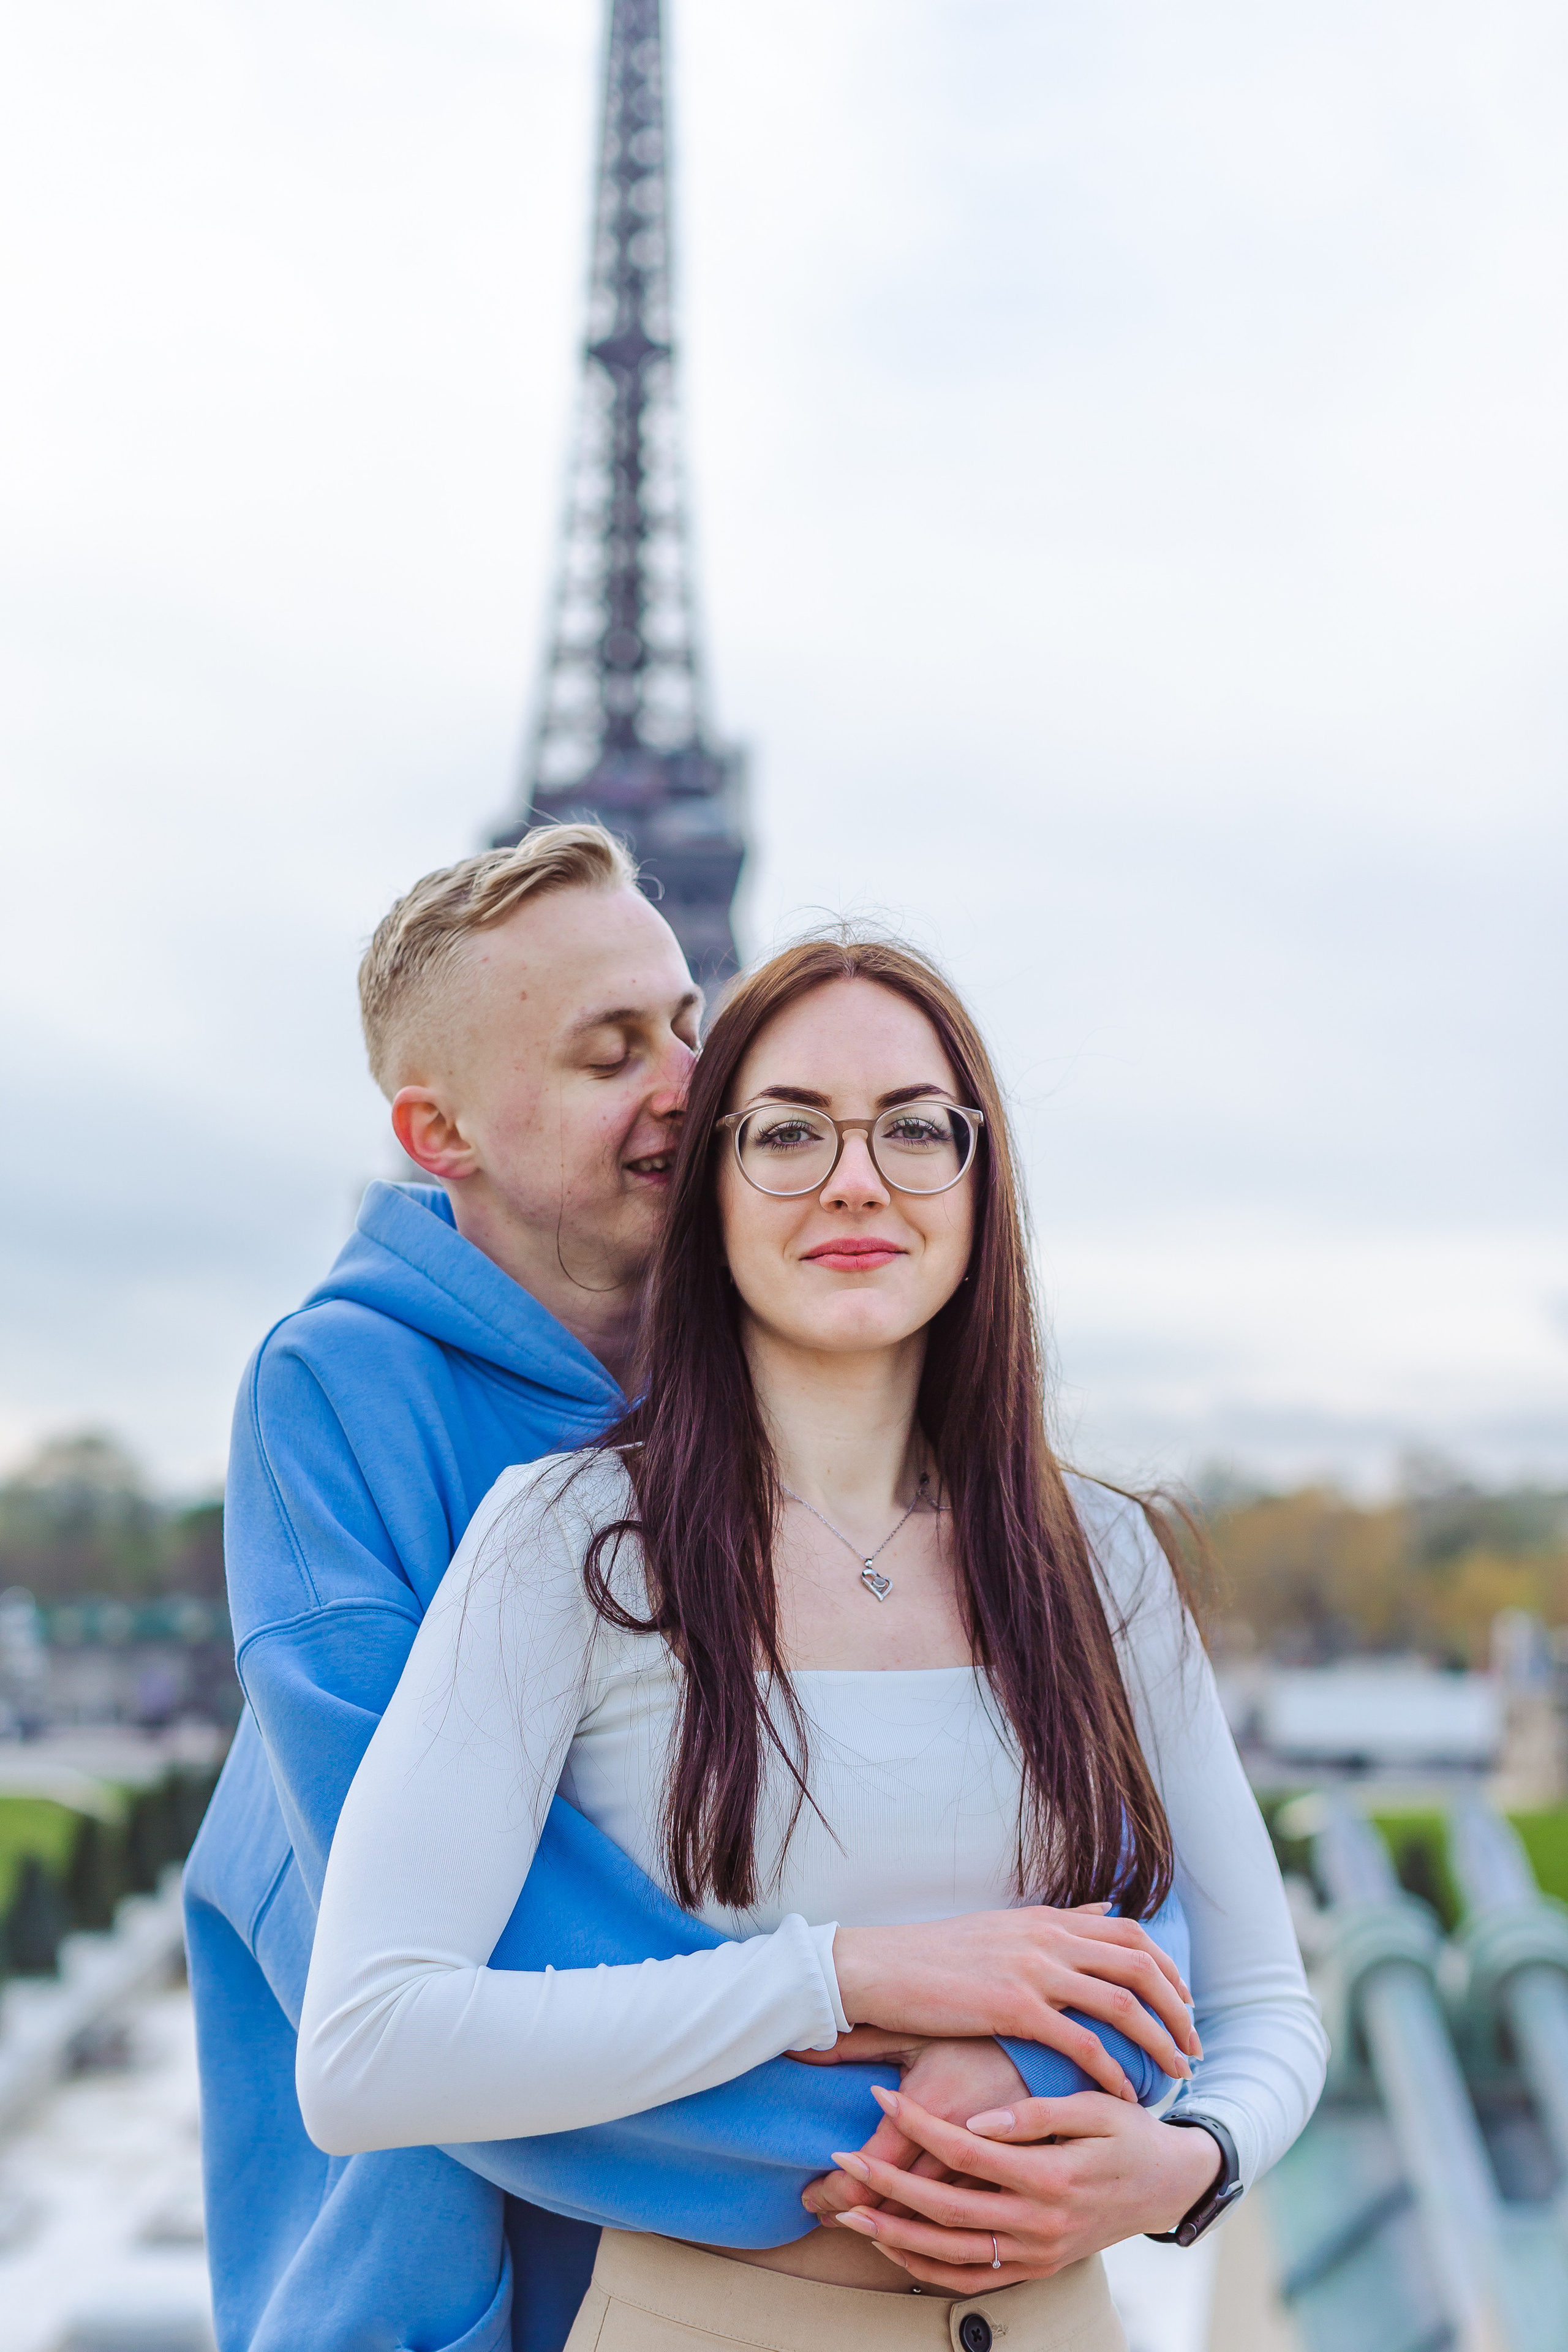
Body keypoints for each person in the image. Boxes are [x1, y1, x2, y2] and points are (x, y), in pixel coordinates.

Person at [185, 834, 1196, 2352]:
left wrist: (1029, 2080)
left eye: (684, 1022)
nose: (682, 1077)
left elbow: (1093, 1820)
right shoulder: (343, 1396)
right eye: (609, 1053)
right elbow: (451, 1924)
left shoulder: (816, 1350)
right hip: (487, 2264)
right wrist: (872, 2124)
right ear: (435, 1129)